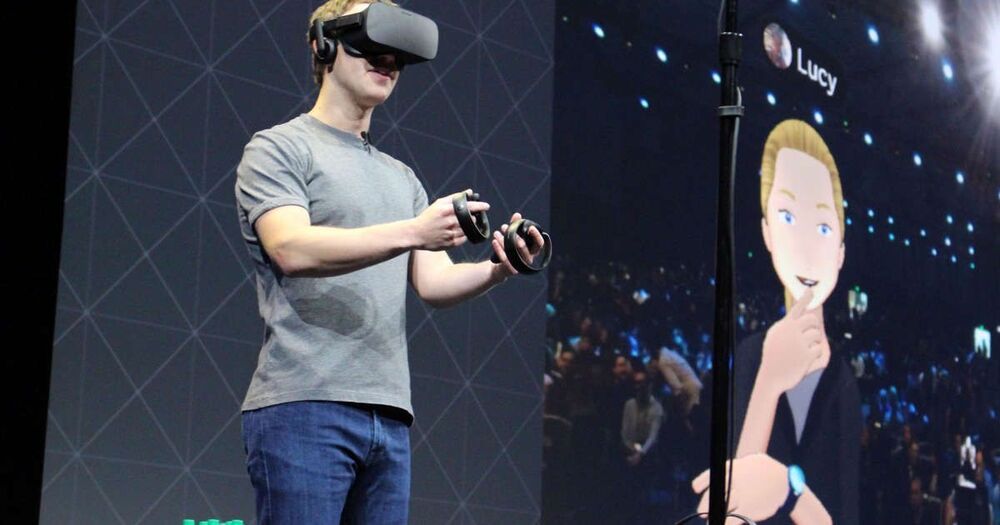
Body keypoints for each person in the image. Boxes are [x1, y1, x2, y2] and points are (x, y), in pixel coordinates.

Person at [233, 1, 544, 523]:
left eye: (397, 53)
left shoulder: (402, 179)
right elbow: (291, 248)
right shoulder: (280, 148)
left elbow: (434, 282)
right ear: (323, 45)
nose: (387, 61)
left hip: (389, 416)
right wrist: (414, 230)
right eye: (370, 46)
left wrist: (498, 268)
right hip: (305, 405)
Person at [692, 119, 860, 524]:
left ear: (840, 250)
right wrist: (768, 382)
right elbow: (731, 513)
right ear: (767, 231)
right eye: (787, 216)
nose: (806, 245)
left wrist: (788, 490)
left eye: (823, 227)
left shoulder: (842, 381)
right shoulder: (752, 357)